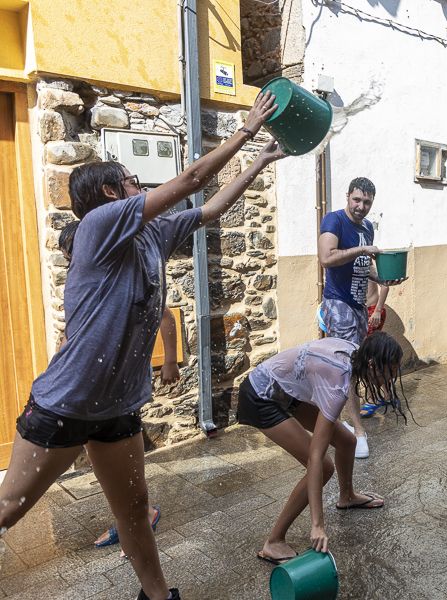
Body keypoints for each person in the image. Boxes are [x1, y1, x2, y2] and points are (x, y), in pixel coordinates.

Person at [0, 92, 284, 600]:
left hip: (116, 407)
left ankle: (157, 596)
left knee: (134, 510)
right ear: (112, 193)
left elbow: (212, 206)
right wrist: (246, 129)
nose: (143, 186)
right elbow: (191, 180)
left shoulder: (151, 235)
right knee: (10, 509)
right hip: (65, 404)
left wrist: (258, 162)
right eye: (133, 181)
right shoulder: (97, 227)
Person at [238, 332, 406, 563]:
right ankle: (273, 541)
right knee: (324, 467)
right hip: (260, 396)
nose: (393, 377)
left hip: (287, 391)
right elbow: (315, 457)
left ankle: (347, 496)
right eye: (391, 371)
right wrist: (317, 525)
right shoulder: (337, 385)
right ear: (372, 364)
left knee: (347, 441)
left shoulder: (355, 353)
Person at [58, 221, 168, 550]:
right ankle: (133, 520)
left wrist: (171, 361)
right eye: (67, 259)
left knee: (121, 462)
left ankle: (138, 519)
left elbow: (163, 315)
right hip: (90, 387)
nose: (70, 264)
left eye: (72, 256)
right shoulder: (83, 280)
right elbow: (73, 332)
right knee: (105, 461)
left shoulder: (119, 277)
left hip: (114, 389)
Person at [317, 177, 399, 456]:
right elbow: (327, 258)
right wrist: (362, 249)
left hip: (359, 306)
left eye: (367, 202)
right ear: (348, 196)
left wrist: (386, 278)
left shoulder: (367, 228)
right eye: (357, 200)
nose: (361, 206)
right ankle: (358, 431)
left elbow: (364, 268)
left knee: (353, 365)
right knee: (347, 368)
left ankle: (337, 421)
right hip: (338, 304)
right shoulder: (334, 220)